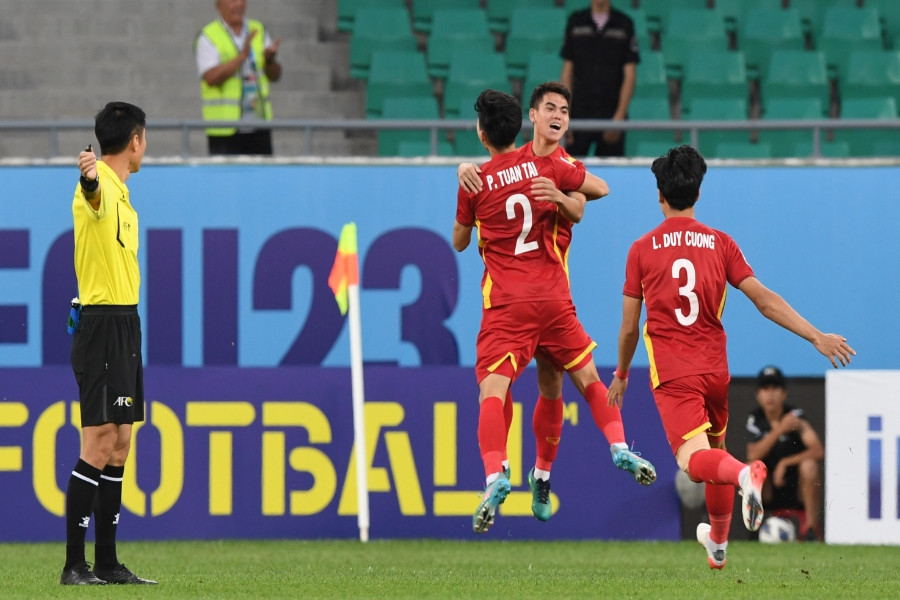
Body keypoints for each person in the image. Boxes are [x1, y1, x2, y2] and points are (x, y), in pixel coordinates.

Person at [607, 145, 854, 569]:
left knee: (695, 464)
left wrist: (623, 373)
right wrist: (816, 335)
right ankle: (718, 547)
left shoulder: (641, 249)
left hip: (675, 373)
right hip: (715, 371)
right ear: (698, 195)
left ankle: (745, 474)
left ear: (660, 197)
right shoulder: (721, 243)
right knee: (715, 449)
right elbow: (763, 299)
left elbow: (630, 327)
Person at [457, 82, 656, 525]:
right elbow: (496, 167)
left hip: (535, 297)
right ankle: (606, 450)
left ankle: (535, 474)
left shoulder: (563, 165)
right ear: (531, 115)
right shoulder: (524, 161)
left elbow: (592, 198)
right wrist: (465, 168)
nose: (558, 115)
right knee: (562, 383)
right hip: (545, 301)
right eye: (550, 107)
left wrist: (563, 197)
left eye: (565, 110)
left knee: (542, 387)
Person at [61, 102, 156, 586]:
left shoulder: (123, 193)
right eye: (145, 137)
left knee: (120, 442)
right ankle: (73, 565)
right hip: (101, 325)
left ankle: (107, 563)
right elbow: (90, 191)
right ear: (135, 140)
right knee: (98, 443)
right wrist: (90, 176)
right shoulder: (98, 187)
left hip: (125, 324)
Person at [746, 365, 825, 541]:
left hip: (795, 488)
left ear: (784, 394)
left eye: (776, 388)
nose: (771, 395)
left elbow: (818, 451)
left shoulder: (796, 417)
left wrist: (786, 462)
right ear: (758, 395)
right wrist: (780, 429)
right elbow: (752, 455)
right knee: (751, 468)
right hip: (768, 491)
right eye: (765, 389)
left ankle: (811, 530)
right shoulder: (755, 420)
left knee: (810, 465)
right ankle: (753, 527)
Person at [194, 0, 282, 155]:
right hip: (225, 129)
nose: (238, 5)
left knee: (261, 178)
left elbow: (275, 76)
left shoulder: (258, 30)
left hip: (259, 126)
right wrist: (242, 56)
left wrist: (270, 60)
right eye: (232, 0)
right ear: (218, 5)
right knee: (226, 179)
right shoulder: (208, 36)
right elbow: (211, 78)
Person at [560, 0, 638, 158]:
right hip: (579, 113)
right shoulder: (576, 22)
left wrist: (620, 116)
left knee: (611, 176)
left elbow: (630, 75)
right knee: (571, 175)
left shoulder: (624, 24)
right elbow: (567, 72)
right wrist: (564, 113)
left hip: (611, 113)